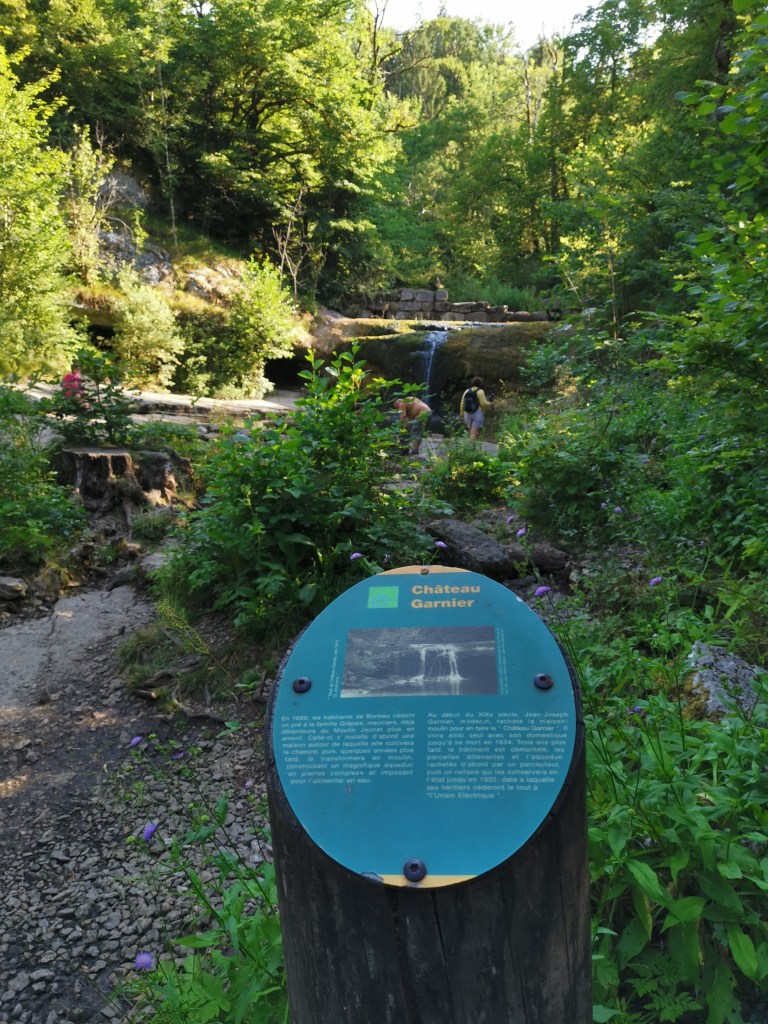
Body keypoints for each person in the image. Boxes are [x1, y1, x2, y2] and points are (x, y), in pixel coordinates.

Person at [460, 376, 491, 441]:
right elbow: (483, 404)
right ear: (480, 384)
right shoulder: (480, 391)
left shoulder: (467, 391)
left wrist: (461, 413)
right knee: (474, 432)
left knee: (470, 431)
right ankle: (471, 448)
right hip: (477, 413)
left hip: (467, 413)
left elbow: (462, 403)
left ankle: (469, 446)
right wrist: (490, 403)